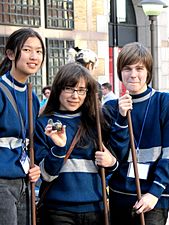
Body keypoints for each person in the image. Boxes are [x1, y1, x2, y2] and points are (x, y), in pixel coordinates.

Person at [34, 62, 127, 225]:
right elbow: (46, 175)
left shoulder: (97, 121)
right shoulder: (44, 123)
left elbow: (116, 160)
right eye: (69, 88)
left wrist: (110, 162)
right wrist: (59, 148)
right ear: (58, 89)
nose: (75, 96)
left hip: (95, 207)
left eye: (81, 90)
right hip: (57, 209)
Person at [104, 42, 169, 225]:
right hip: (120, 192)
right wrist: (122, 119)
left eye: (139, 68)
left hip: (155, 195)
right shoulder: (110, 108)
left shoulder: (166, 102)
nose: (133, 74)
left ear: (148, 71)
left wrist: (155, 192)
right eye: (127, 68)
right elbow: (114, 155)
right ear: (120, 72)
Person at [0, 28, 44, 225]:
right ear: (10, 54)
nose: (34, 56)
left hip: (25, 181)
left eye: (39, 51)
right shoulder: (1, 90)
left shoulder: (32, 97)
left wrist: (35, 166)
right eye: (27, 50)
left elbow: (30, 141)